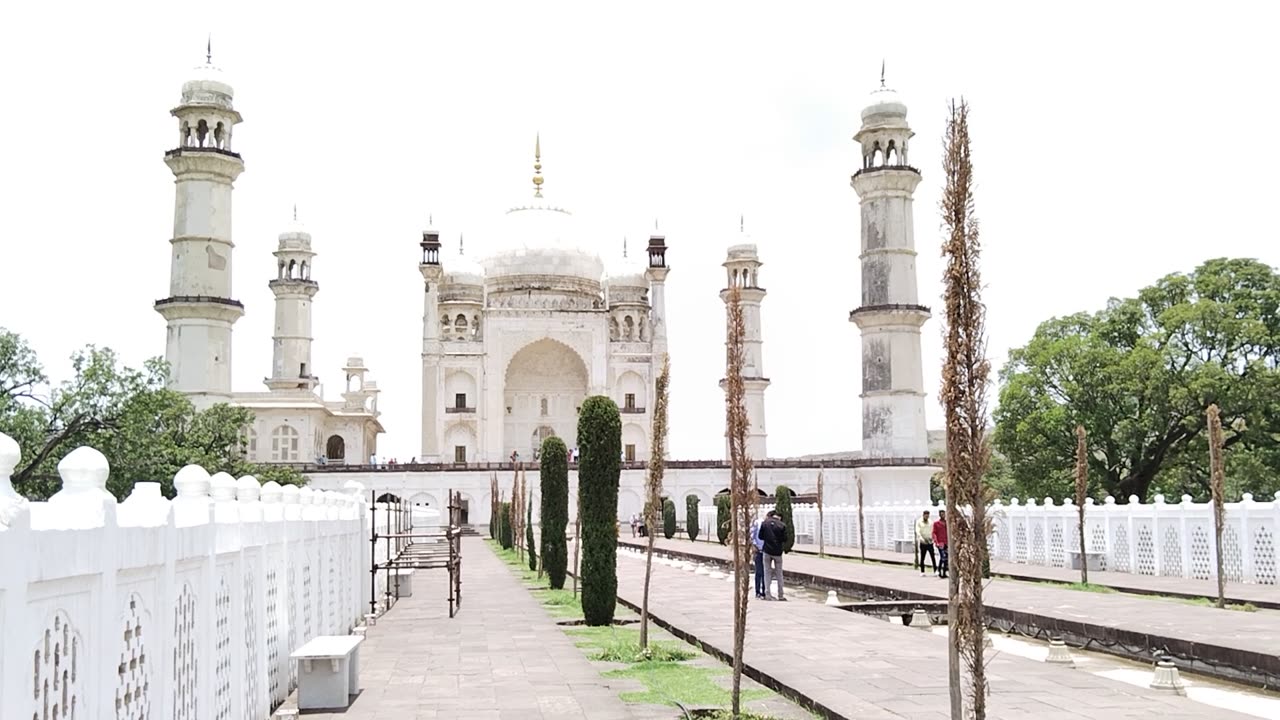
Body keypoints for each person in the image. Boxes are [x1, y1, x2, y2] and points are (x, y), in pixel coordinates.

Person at [758, 510, 787, 601]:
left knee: (767, 572)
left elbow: (760, 536)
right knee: (779, 574)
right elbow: (785, 539)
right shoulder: (782, 525)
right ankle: (781, 595)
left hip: (767, 550)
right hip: (778, 552)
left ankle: (767, 594)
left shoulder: (764, 523)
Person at [915, 509, 936, 577]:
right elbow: (918, 531)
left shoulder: (930, 522)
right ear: (923, 515)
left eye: (928, 516)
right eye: (926, 516)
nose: (927, 517)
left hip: (929, 541)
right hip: (923, 542)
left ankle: (935, 571)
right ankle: (922, 571)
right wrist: (921, 538)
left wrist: (932, 538)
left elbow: (932, 530)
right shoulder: (919, 521)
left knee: (933, 556)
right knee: (922, 557)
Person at [749, 515, 766, 599]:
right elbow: (752, 535)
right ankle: (758, 591)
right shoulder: (757, 523)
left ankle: (764, 591)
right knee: (759, 571)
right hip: (758, 550)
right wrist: (754, 545)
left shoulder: (767, 524)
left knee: (765, 572)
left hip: (766, 551)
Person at [933, 510, 949, 579]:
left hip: (946, 542)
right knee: (943, 557)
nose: (943, 515)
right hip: (940, 543)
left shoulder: (947, 523)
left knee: (946, 558)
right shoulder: (936, 523)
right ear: (939, 515)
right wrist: (936, 542)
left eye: (944, 514)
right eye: (941, 514)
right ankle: (939, 571)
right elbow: (934, 533)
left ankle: (944, 572)